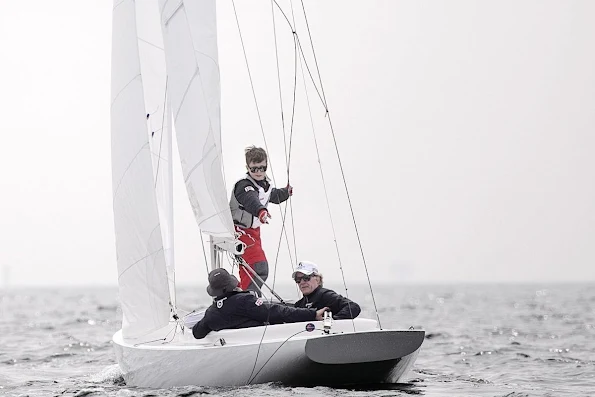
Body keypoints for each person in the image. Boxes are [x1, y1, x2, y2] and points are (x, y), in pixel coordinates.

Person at [193, 268, 327, 339]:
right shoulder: (243, 301)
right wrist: (312, 314)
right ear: (232, 285)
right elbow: (276, 312)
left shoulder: (212, 313)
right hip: (261, 343)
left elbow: (197, 333)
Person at [229, 146, 292, 295]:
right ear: (247, 167)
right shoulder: (243, 186)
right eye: (254, 169)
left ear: (266, 166)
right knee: (258, 266)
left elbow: (271, 195)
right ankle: (247, 299)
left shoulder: (265, 184)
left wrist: (286, 193)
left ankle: (241, 295)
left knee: (250, 268)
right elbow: (251, 200)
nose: (258, 172)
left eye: (262, 168)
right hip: (239, 230)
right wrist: (261, 212)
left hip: (254, 231)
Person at [292, 261, 361, 320]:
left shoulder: (325, 295)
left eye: (306, 278)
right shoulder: (299, 304)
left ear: (317, 279)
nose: (302, 282)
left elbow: (353, 307)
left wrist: (332, 321)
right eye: (298, 279)